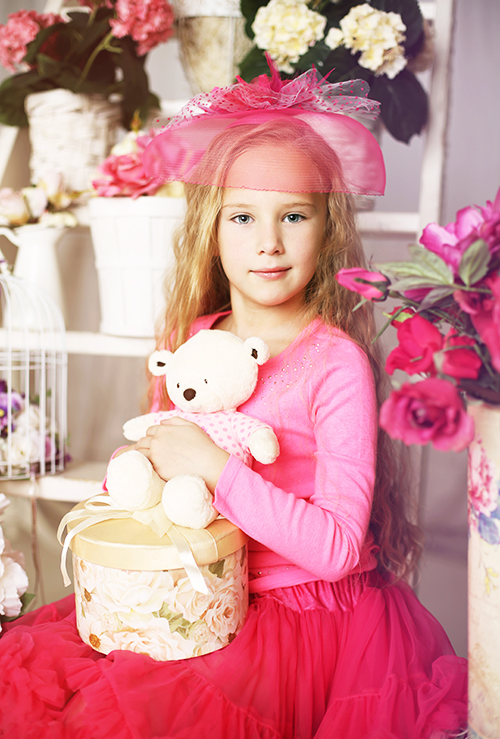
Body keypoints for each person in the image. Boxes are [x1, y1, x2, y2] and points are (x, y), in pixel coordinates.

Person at [0, 61, 467, 738]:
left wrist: (216, 469)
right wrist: (138, 470)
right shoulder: (191, 340)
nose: (268, 242)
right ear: (212, 232)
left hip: (300, 621)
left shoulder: (334, 362)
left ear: (327, 227)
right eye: (242, 217)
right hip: (193, 592)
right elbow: (162, 469)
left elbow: (337, 547)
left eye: (293, 216)